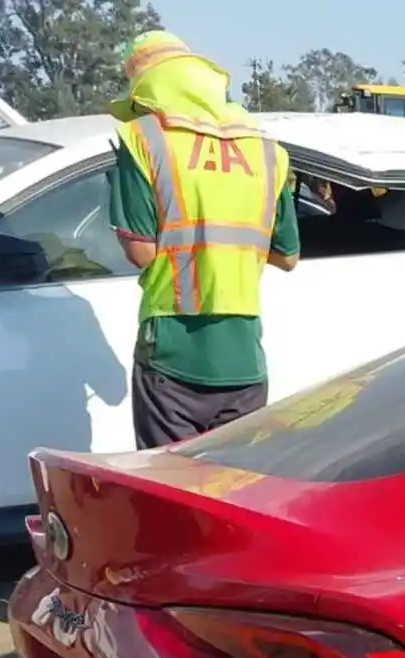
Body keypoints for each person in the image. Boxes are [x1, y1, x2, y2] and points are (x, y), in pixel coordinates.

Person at [107, 31, 301, 449]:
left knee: (171, 494)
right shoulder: (266, 150)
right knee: (234, 491)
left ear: (144, 89)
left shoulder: (143, 139)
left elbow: (141, 252)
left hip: (174, 353)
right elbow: (288, 256)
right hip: (245, 359)